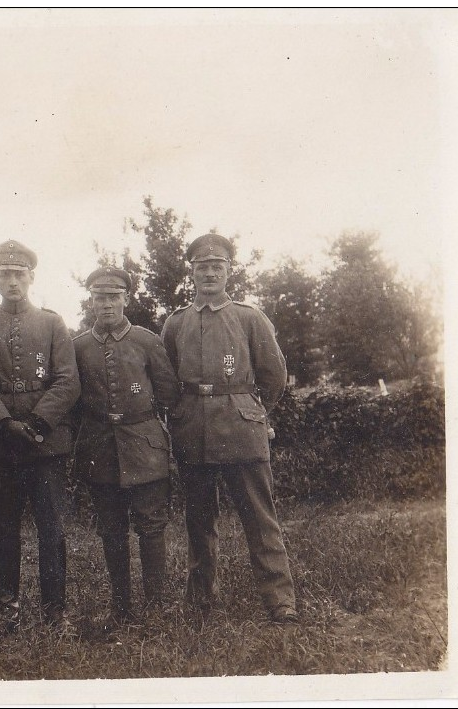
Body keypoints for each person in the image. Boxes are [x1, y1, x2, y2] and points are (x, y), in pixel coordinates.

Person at [160, 234, 298, 623]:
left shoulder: (250, 317)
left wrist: (252, 410)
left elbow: (274, 374)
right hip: (193, 432)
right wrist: (180, 413)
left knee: (259, 517)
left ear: (227, 272)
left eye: (216, 267)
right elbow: (166, 377)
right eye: (201, 268)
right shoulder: (176, 322)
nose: (208, 274)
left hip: (242, 429)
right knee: (199, 520)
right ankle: (201, 599)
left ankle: (280, 601)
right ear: (192, 273)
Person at [0, 239, 81, 636]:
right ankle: (7, 611)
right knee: (5, 528)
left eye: (19, 274)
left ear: (31, 277)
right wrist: (4, 423)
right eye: (5, 274)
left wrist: (38, 422)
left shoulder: (52, 323)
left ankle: (55, 612)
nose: (12, 281)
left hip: (45, 444)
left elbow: (68, 381)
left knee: (52, 528)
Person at [71, 266, 180, 634]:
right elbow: (73, 401)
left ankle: (155, 609)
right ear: (91, 300)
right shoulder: (79, 346)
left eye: (114, 297)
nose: (106, 304)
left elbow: (167, 393)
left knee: (151, 527)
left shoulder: (147, 341)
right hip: (99, 447)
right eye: (100, 297)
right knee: (111, 530)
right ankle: (120, 608)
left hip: (144, 445)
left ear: (126, 299)